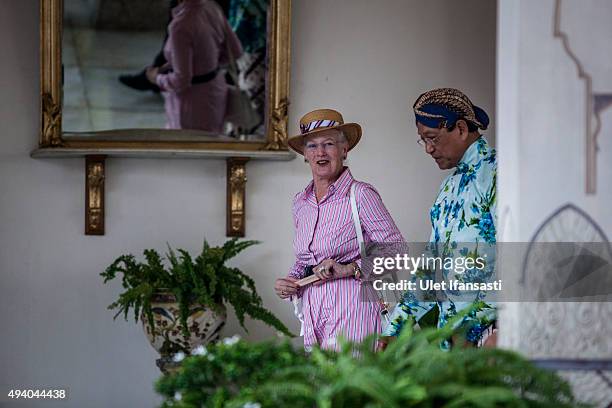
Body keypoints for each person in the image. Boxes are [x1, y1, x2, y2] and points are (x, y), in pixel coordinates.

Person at [274, 108, 404, 351]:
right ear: (304, 154)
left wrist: (348, 268)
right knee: (321, 385)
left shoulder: (361, 195)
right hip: (313, 313)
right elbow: (305, 261)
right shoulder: (300, 203)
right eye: (312, 146)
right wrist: (291, 281)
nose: (320, 152)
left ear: (344, 150)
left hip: (355, 310)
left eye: (329, 144)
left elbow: (397, 251)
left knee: (353, 385)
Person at [382, 88, 497, 348]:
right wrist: (395, 329)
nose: (428, 148)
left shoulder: (497, 173)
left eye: (432, 137)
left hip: (491, 338)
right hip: (451, 339)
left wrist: (477, 328)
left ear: (460, 128)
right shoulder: (447, 189)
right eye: (423, 140)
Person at [145, 0, 243, 131]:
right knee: (214, 143)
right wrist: (207, 66)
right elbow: (236, 50)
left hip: (192, 103)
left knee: (189, 146)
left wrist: (156, 78)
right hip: (216, 90)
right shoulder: (212, 7)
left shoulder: (180, 26)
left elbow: (182, 80)